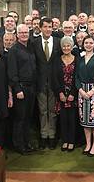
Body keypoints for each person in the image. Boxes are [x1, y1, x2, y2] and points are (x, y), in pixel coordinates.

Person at [32, 17, 61, 150]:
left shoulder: (58, 42)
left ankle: (52, 136)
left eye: (50, 27)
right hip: (40, 83)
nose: (48, 29)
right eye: (45, 27)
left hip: (55, 83)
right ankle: (44, 136)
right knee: (43, 111)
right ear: (40, 28)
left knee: (53, 111)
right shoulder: (34, 43)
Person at [8, 24, 37, 154]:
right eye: (22, 32)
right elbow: (12, 72)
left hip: (31, 88)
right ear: (17, 34)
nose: (24, 34)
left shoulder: (30, 48)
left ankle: (26, 142)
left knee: (28, 117)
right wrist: (17, 89)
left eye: (26, 32)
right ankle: (19, 145)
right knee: (20, 118)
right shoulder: (14, 50)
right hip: (21, 89)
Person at [75, 35, 94, 157]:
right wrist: (80, 90)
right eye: (86, 42)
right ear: (83, 44)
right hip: (82, 91)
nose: (88, 45)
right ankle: (88, 144)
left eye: (90, 43)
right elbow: (75, 76)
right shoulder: (80, 59)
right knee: (85, 121)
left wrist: (93, 90)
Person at [54, 36, 77, 152]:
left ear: (72, 46)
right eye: (64, 46)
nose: (66, 48)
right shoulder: (57, 60)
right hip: (62, 94)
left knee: (72, 118)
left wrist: (73, 93)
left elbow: (77, 78)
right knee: (63, 118)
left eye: (68, 45)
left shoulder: (77, 59)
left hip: (73, 93)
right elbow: (55, 78)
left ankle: (72, 141)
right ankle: (65, 141)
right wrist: (60, 93)